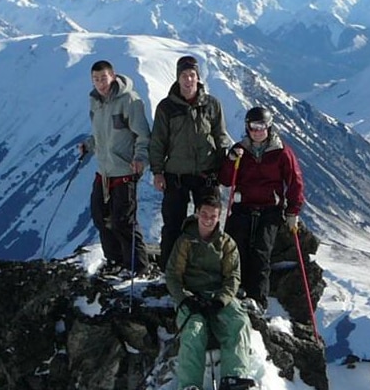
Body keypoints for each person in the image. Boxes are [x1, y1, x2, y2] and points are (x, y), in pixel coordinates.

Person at [149, 55, 232, 271]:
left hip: (207, 174)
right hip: (176, 175)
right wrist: (157, 172)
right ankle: (169, 270)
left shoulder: (212, 105)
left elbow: (220, 135)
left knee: (209, 224)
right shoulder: (166, 108)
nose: (188, 80)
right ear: (177, 78)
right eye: (184, 76)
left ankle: (209, 269)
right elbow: (158, 142)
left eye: (192, 75)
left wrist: (226, 167)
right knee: (173, 226)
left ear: (198, 77)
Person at [219, 106, 304, 313]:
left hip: (269, 209)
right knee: (235, 247)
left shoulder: (281, 151)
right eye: (253, 126)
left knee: (261, 251)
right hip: (243, 206)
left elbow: (295, 181)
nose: (257, 131)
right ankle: (235, 289)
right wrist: (231, 161)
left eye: (262, 126)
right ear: (247, 127)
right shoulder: (240, 150)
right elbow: (225, 179)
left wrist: (293, 211)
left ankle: (257, 299)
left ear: (269, 126)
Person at [165, 195, 255, 390]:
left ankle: (234, 377)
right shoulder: (185, 241)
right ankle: (190, 385)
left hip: (217, 295)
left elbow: (233, 276)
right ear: (197, 213)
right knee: (194, 329)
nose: (207, 219)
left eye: (213, 216)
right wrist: (184, 299)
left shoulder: (226, 244)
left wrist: (221, 300)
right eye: (204, 214)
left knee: (239, 322)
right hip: (191, 296)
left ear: (219, 217)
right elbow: (173, 275)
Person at [79, 60, 150, 277]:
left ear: (113, 76)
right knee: (100, 217)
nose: (100, 83)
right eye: (96, 79)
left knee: (123, 221)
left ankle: (137, 266)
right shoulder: (96, 102)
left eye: (103, 78)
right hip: (104, 171)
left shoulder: (129, 101)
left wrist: (140, 158)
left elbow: (143, 135)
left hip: (125, 170)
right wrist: (89, 145)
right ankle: (115, 260)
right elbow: (102, 134)